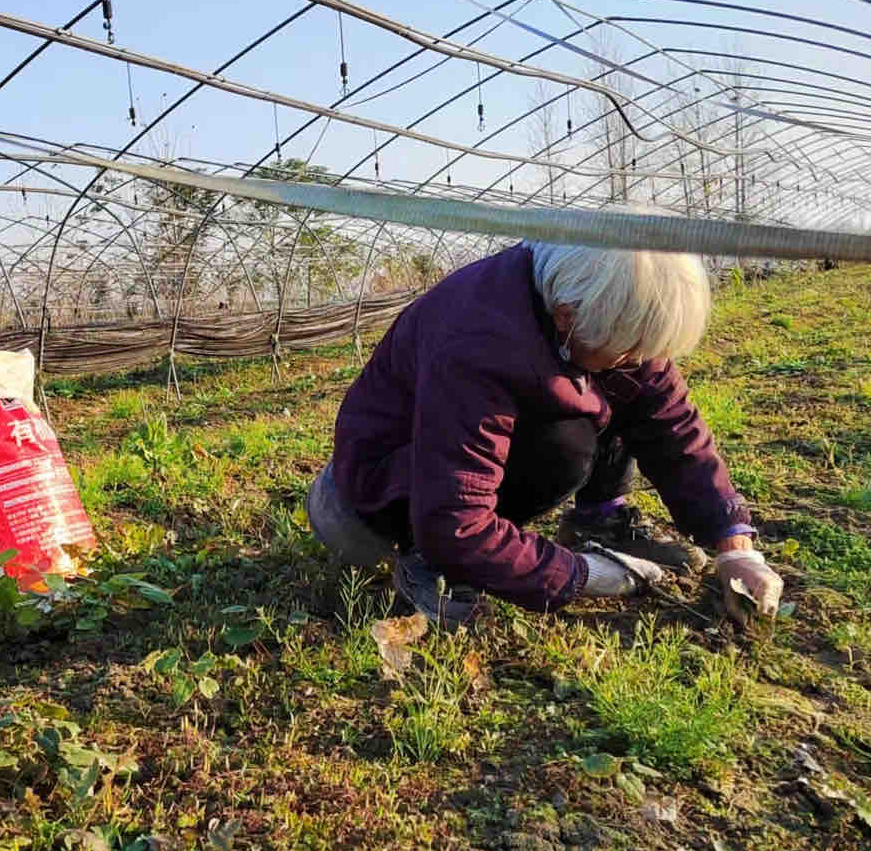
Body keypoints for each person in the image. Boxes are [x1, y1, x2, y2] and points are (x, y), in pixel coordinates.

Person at [308, 232, 783, 627]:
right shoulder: (478, 341)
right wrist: (580, 575)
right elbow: (455, 519)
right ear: (565, 316)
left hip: (444, 468)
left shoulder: (599, 298)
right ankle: (430, 564)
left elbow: (669, 419)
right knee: (565, 442)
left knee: (617, 389)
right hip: (374, 502)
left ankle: (600, 519)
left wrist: (734, 546)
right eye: (626, 348)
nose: (636, 360)